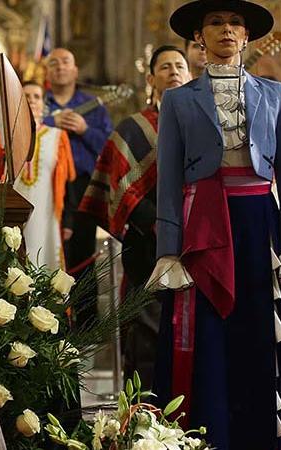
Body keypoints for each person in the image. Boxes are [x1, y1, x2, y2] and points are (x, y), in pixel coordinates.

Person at [148, 1, 281, 449]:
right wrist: (169, 249)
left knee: (261, 327)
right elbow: (168, 180)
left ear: (247, 36)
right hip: (203, 224)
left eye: (235, 23)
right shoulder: (178, 100)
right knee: (208, 333)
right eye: (216, 22)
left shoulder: (275, 93)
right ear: (199, 37)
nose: (226, 29)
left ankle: (263, 434)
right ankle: (210, 432)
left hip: (259, 222)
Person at [81, 45, 191, 387]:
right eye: (165, 67)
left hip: (197, 238)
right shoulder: (132, 128)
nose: (173, 72)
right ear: (151, 78)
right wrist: (158, 223)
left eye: (180, 66)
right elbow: (118, 187)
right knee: (147, 332)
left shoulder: (206, 123)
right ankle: (143, 415)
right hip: (147, 243)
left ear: (190, 75)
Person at [0, 81, 75, 271]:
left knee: (44, 262)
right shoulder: (2, 137)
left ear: (43, 104)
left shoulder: (58, 137)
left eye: (36, 96)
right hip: (11, 215)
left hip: (46, 214)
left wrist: (68, 221)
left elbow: (68, 184)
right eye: (25, 96)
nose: (31, 100)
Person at [42, 47, 113, 274]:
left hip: (83, 187)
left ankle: (85, 309)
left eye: (65, 62)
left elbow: (109, 147)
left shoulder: (94, 107)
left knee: (82, 257)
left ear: (75, 71)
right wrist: (52, 123)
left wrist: (84, 129)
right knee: (46, 250)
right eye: (54, 63)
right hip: (47, 188)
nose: (60, 66)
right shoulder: (38, 104)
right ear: (46, 73)